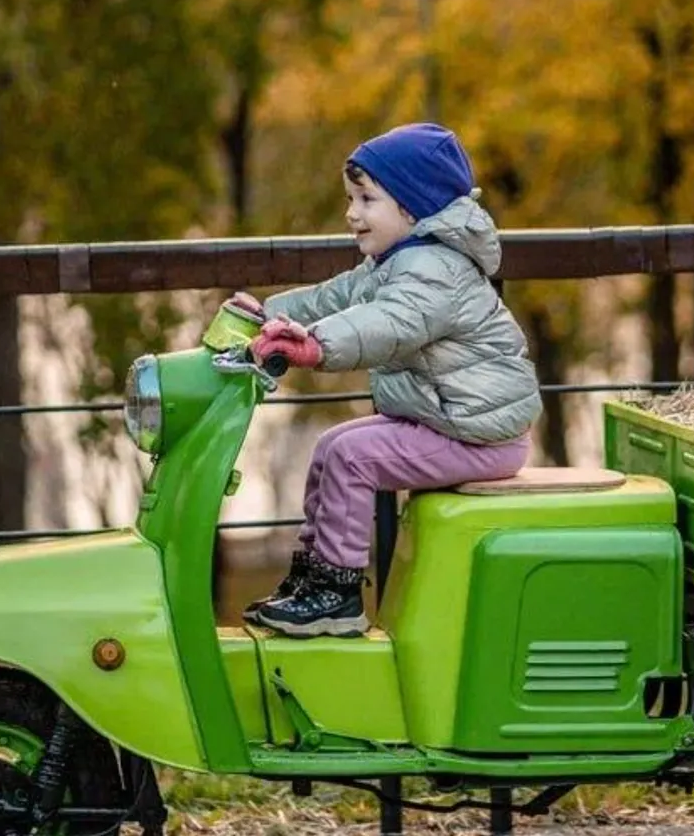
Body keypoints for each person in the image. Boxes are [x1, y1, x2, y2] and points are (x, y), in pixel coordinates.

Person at [230, 123, 541, 637]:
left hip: (480, 436)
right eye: (351, 198)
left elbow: (390, 324)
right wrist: (269, 315)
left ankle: (338, 594)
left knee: (356, 456)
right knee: (333, 445)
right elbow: (336, 299)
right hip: (448, 423)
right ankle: (314, 576)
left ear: (412, 208)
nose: (352, 212)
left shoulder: (435, 270)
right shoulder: (394, 262)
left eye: (366, 198)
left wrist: (316, 346)